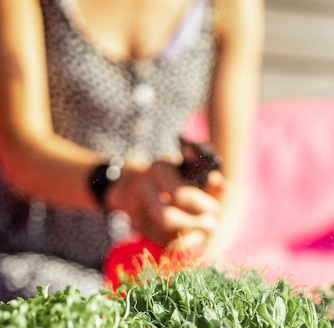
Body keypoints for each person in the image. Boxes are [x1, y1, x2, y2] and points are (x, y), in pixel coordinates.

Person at [0, 0, 264, 300]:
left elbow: (232, 180)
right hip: (33, 251)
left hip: (152, 267)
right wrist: (121, 184)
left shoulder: (233, 6)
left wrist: (198, 245)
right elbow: (21, 152)